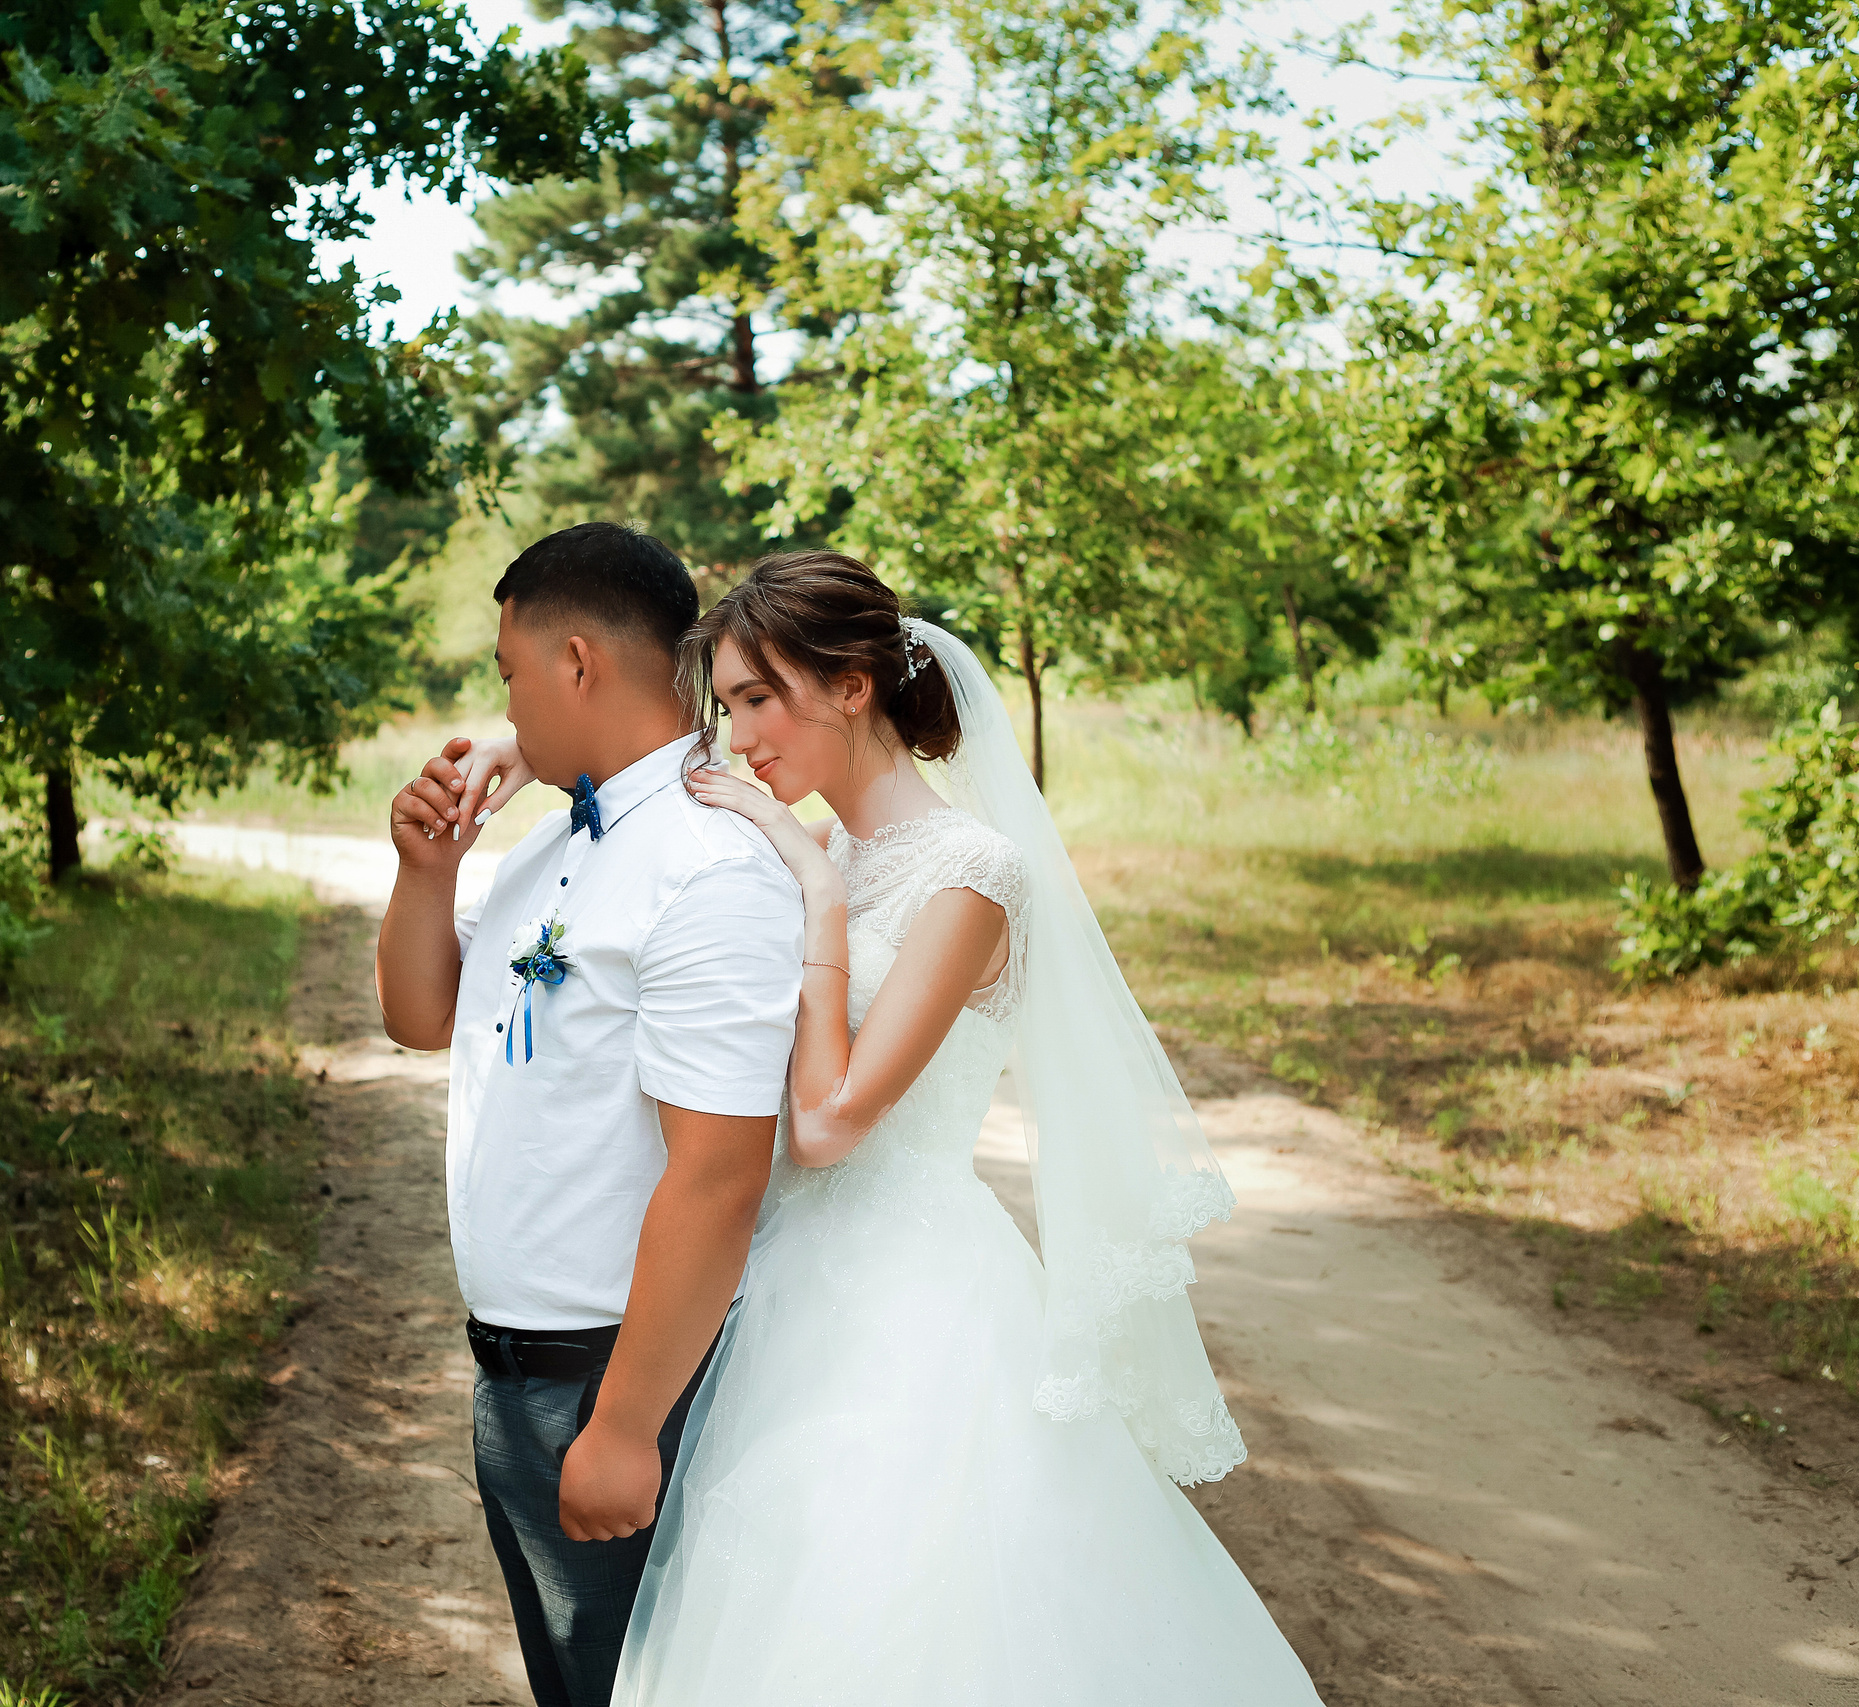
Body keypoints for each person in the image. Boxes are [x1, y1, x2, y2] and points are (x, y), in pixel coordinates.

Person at [450, 551, 1324, 1705]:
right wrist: (529, 745)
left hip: (903, 1302)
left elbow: (824, 1124)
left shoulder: (968, 877)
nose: (742, 736)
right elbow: (654, 758)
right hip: (771, 1290)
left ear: (852, 687)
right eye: (729, 705)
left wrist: (815, 890)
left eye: (761, 700)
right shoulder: (820, 831)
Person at [375, 522, 804, 1707]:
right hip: (519, 1377)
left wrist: (619, 1429)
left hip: (620, 1382)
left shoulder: (707, 868)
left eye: (510, 672)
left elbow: (717, 1175)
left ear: (576, 662)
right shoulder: (560, 840)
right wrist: (428, 872)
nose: (503, 704)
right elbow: (422, 1016)